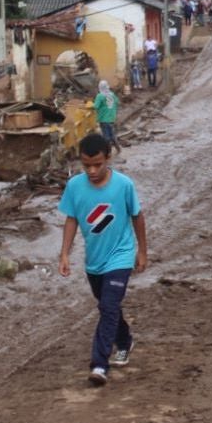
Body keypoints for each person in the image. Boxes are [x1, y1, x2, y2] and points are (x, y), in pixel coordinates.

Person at [58, 134, 148, 387]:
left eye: (97, 164)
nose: (92, 170)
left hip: (120, 255)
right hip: (94, 260)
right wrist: (64, 253)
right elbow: (72, 219)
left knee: (108, 306)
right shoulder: (75, 186)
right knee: (109, 305)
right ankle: (125, 340)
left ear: (108, 158)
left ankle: (99, 364)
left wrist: (142, 251)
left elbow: (137, 217)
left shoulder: (123, 185)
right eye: (86, 165)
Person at [94, 80, 123, 155]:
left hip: (104, 119)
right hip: (112, 118)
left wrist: (86, 107)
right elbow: (117, 102)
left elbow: (95, 106)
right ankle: (118, 149)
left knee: (106, 136)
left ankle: (108, 153)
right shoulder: (112, 94)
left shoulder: (100, 96)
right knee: (112, 134)